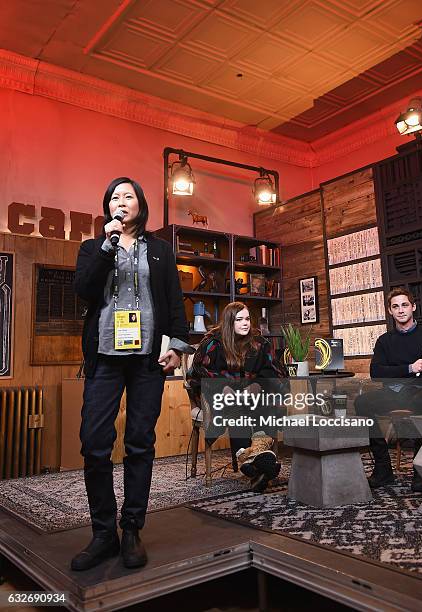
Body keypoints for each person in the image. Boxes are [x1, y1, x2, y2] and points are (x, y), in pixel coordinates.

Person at [71, 177, 192, 571]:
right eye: (114, 197)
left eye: (129, 196)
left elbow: (174, 300)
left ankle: (132, 529)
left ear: (141, 205)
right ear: (107, 206)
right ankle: (103, 533)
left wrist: (176, 345)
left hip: (147, 361)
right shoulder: (93, 247)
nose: (121, 202)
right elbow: (85, 290)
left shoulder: (159, 250)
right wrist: (108, 245)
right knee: (94, 441)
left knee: (140, 441)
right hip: (104, 358)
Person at [188, 302, 286, 492]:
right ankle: (256, 463)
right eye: (239, 319)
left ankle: (253, 462)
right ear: (228, 322)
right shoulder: (212, 344)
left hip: (252, 397)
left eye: (247, 319)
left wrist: (257, 384)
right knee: (235, 408)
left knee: (264, 403)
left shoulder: (260, 343)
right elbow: (196, 372)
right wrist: (221, 387)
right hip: (221, 398)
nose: (245, 323)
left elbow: (276, 372)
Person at [355, 288, 422, 493]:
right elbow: (377, 373)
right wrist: (410, 368)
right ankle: (383, 468)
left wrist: (399, 377)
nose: (400, 310)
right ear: (390, 311)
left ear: (413, 307)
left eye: (404, 305)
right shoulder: (385, 341)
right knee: (362, 403)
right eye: (395, 306)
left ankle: (421, 471)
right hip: (395, 392)